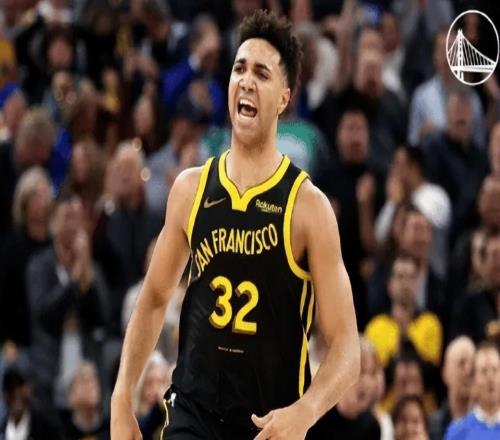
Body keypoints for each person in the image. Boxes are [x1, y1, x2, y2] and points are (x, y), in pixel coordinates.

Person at [112, 10, 360, 440]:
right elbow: (153, 299)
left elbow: (346, 348)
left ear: (284, 98)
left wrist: (305, 412)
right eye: (239, 68)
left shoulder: (308, 207)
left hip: (267, 424)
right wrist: (121, 397)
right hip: (194, 412)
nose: (246, 81)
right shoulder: (190, 189)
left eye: (261, 73)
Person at [444, 342, 500, 439]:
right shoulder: (457, 432)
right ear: (473, 380)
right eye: (484, 371)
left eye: (495, 370)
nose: (490, 378)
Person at [428, 336, 475, 440]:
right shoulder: (431, 427)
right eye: (461, 363)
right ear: (445, 373)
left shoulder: (492, 423)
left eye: (473, 365)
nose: (468, 370)